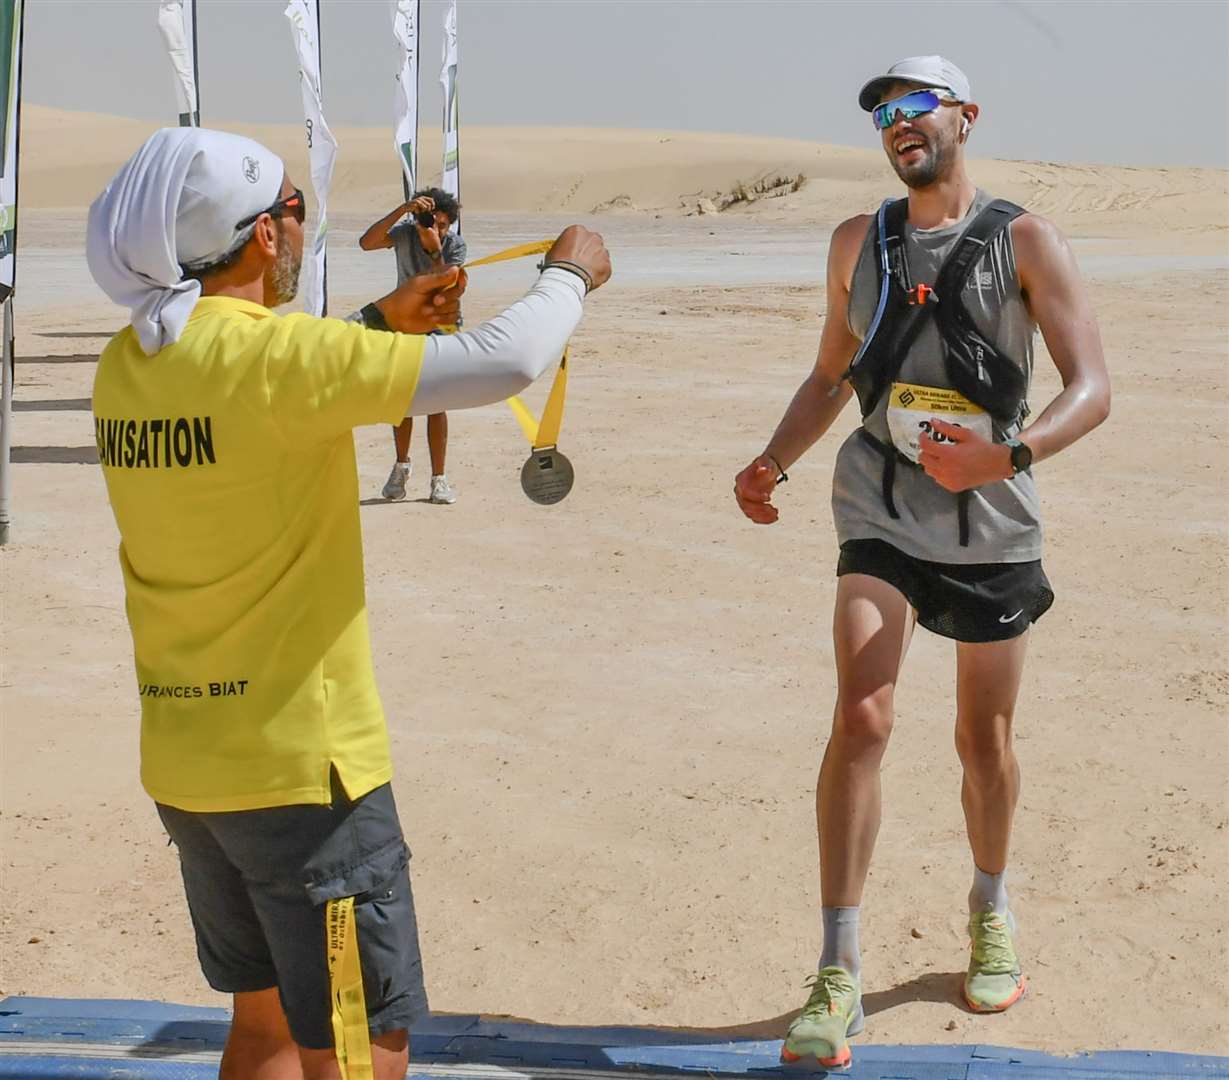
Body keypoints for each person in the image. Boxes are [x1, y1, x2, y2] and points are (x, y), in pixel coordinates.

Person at [87, 126, 610, 1080]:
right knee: (362, 1049)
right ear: (260, 237)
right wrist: (568, 274)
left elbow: (259, 390)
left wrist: (379, 319)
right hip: (304, 781)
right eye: (294, 208)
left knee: (265, 1032)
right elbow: (503, 362)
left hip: (190, 766)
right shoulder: (283, 362)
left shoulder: (130, 365)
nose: (302, 225)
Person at [733, 57, 1109, 1069]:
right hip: (878, 505)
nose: (895, 125)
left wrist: (1004, 454)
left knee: (980, 743)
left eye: (913, 107)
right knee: (861, 714)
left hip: (990, 520)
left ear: (962, 118)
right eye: (880, 115)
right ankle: (836, 966)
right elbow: (828, 373)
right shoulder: (855, 242)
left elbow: (1090, 387)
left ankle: (989, 909)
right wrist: (771, 457)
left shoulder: (1027, 240)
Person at [360, 188, 466, 504]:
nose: (438, 229)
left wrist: (435, 248)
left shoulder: (454, 245)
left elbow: (445, 281)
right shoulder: (406, 233)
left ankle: (439, 479)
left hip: (437, 324)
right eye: (433, 222)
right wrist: (402, 210)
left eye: (444, 225)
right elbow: (367, 243)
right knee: (402, 399)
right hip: (403, 324)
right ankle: (401, 466)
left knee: (436, 401)